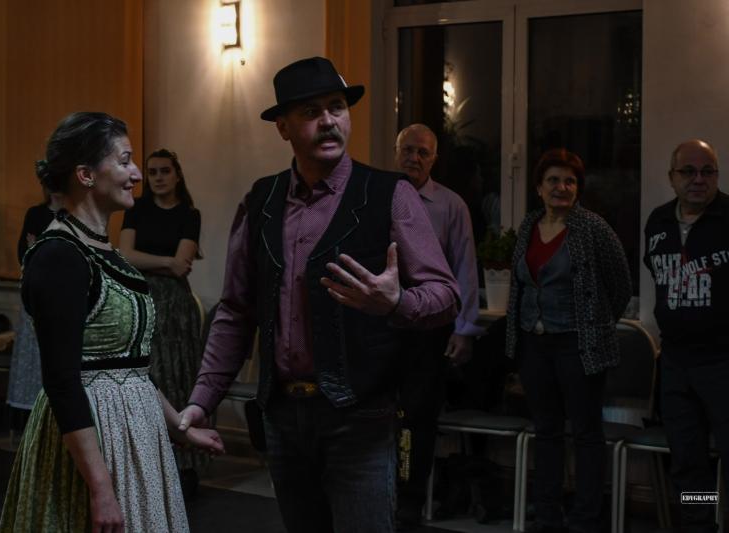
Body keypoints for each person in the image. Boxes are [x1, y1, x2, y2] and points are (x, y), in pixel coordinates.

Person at [177, 57, 461, 533]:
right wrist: (203, 401)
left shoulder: (389, 193)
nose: (329, 121)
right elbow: (236, 311)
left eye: (337, 107)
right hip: (283, 418)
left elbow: (446, 295)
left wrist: (396, 304)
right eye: (311, 112)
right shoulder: (261, 201)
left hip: (361, 417)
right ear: (283, 128)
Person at [0, 112, 223, 533]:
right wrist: (100, 487)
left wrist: (179, 427)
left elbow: (130, 367)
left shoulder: (106, 253)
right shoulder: (59, 255)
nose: (136, 174)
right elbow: (62, 382)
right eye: (124, 161)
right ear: (85, 175)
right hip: (93, 441)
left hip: (135, 433)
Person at [504, 148, 631, 533]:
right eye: (553, 180)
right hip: (534, 345)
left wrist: (594, 324)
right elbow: (520, 284)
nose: (561, 187)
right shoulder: (528, 225)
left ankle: (585, 520)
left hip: (579, 347)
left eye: (570, 181)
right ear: (539, 188)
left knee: (587, 433)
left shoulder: (593, 228)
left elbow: (621, 286)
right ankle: (548, 517)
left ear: (578, 188)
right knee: (547, 431)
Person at [393, 123, 484, 528]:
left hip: (429, 331)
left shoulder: (451, 205)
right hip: (382, 328)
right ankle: (376, 495)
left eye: (423, 153)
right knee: (377, 416)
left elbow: (466, 267)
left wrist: (465, 329)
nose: (414, 158)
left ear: (434, 159)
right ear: (396, 151)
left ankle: (409, 506)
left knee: (417, 420)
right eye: (408, 150)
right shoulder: (377, 196)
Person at [644, 139, 728, 533]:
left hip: (723, 363)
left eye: (707, 171)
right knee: (689, 461)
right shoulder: (658, 222)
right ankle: (699, 525)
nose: (698, 179)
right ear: (671, 177)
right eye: (688, 171)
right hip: (676, 364)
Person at [119, 148, 205, 494]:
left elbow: (183, 265)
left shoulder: (189, 214)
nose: (157, 177)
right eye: (152, 172)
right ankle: (148, 464)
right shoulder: (136, 209)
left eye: (164, 171)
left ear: (177, 175)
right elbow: (125, 256)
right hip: (142, 300)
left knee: (179, 377)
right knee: (147, 378)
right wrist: (167, 262)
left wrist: (162, 263)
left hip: (176, 307)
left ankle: (185, 466)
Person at [6, 187, 64, 416]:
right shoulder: (36, 213)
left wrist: (39, 248)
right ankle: (30, 412)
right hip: (37, 293)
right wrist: (40, 253)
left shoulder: (77, 215)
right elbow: (25, 255)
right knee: (33, 355)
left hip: (64, 294)